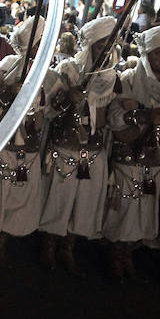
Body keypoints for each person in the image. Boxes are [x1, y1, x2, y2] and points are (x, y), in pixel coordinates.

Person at [0, 15, 61, 267]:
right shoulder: (7, 67)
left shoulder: (51, 75)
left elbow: (54, 111)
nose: (42, 49)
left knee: (18, 196)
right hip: (3, 144)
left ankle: (2, 241)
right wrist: (8, 91)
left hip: (30, 146)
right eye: (38, 44)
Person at [104, 25, 160, 282]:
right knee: (124, 207)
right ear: (147, 55)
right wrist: (142, 114)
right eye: (158, 54)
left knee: (145, 208)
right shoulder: (128, 79)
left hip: (157, 157)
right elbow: (114, 117)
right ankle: (116, 256)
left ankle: (129, 253)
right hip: (128, 154)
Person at [39, 17, 119, 275]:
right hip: (64, 146)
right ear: (90, 46)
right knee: (58, 202)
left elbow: (111, 119)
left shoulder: (113, 78)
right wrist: (67, 97)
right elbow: (50, 110)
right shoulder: (68, 70)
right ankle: (48, 247)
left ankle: (68, 249)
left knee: (84, 204)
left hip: (94, 150)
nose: (105, 52)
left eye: (110, 46)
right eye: (100, 46)